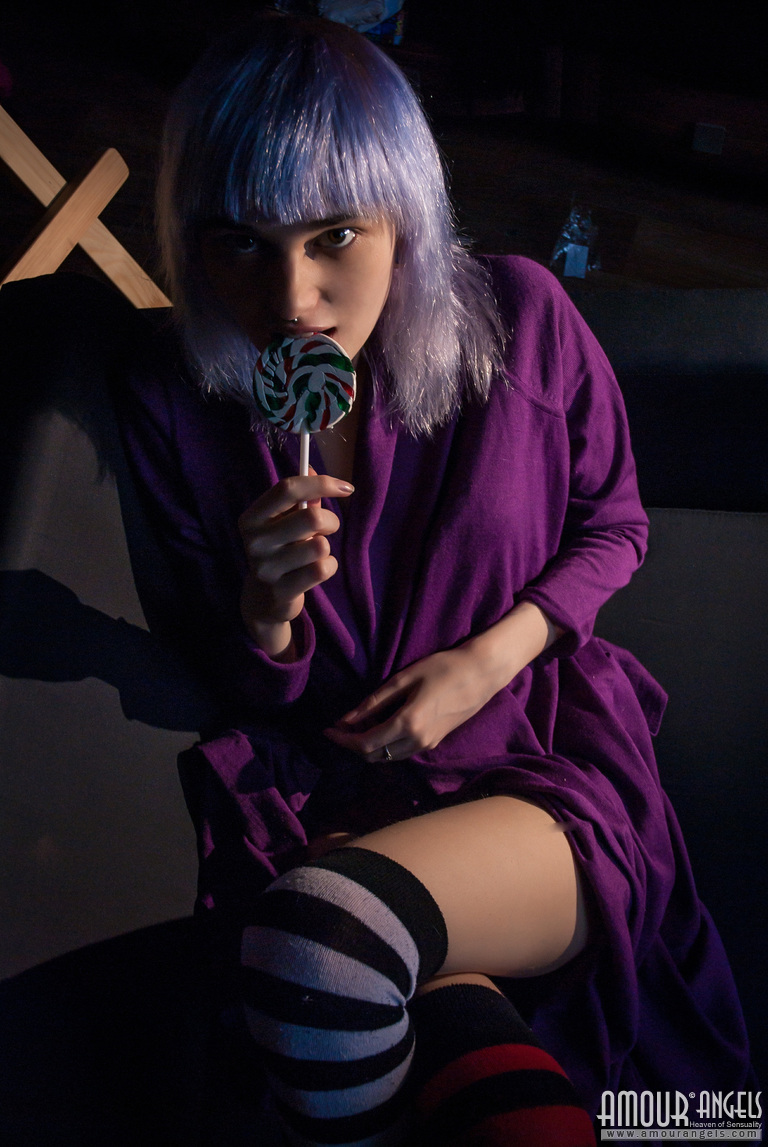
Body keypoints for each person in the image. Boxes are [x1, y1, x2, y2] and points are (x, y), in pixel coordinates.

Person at [110, 10, 752, 1145]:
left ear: (402, 216)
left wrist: (484, 661)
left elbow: (614, 526)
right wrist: (267, 613)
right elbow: (245, 688)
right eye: (240, 241)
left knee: (326, 947)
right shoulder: (177, 402)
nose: (293, 297)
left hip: (531, 761)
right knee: (423, 1014)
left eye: (334, 235)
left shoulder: (522, 319)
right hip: (330, 790)